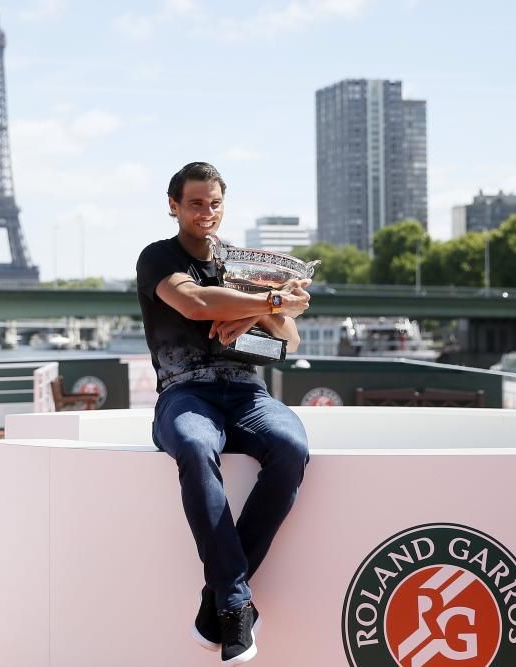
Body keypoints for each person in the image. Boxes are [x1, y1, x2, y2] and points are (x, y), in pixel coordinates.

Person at [135, 162, 312, 665]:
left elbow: (288, 339)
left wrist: (256, 312)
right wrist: (272, 299)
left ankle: (222, 600)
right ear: (173, 206)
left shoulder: (244, 266)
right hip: (185, 392)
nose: (206, 212)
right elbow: (192, 303)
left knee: (292, 448)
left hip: (247, 393)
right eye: (195, 203)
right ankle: (236, 605)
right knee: (193, 445)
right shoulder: (157, 257)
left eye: (214, 203)